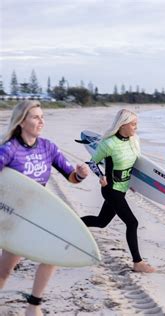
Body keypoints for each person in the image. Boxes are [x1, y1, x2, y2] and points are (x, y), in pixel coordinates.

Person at [0, 100, 89, 316]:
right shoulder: (9, 149)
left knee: (53, 253)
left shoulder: (48, 147)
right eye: (35, 117)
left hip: (38, 212)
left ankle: (34, 306)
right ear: (21, 122)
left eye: (42, 116)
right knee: (5, 268)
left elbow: (71, 176)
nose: (41, 121)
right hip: (15, 216)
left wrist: (80, 174)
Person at [81, 109, 156, 273]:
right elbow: (93, 162)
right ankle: (138, 262)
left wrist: (136, 184)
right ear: (123, 124)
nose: (136, 127)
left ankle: (74, 223)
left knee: (101, 222)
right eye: (133, 124)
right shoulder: (109, 144)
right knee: (132, 222)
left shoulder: (134, 141)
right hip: (111, 189)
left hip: (122, 189)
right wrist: (101, 176)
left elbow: (135, 166)